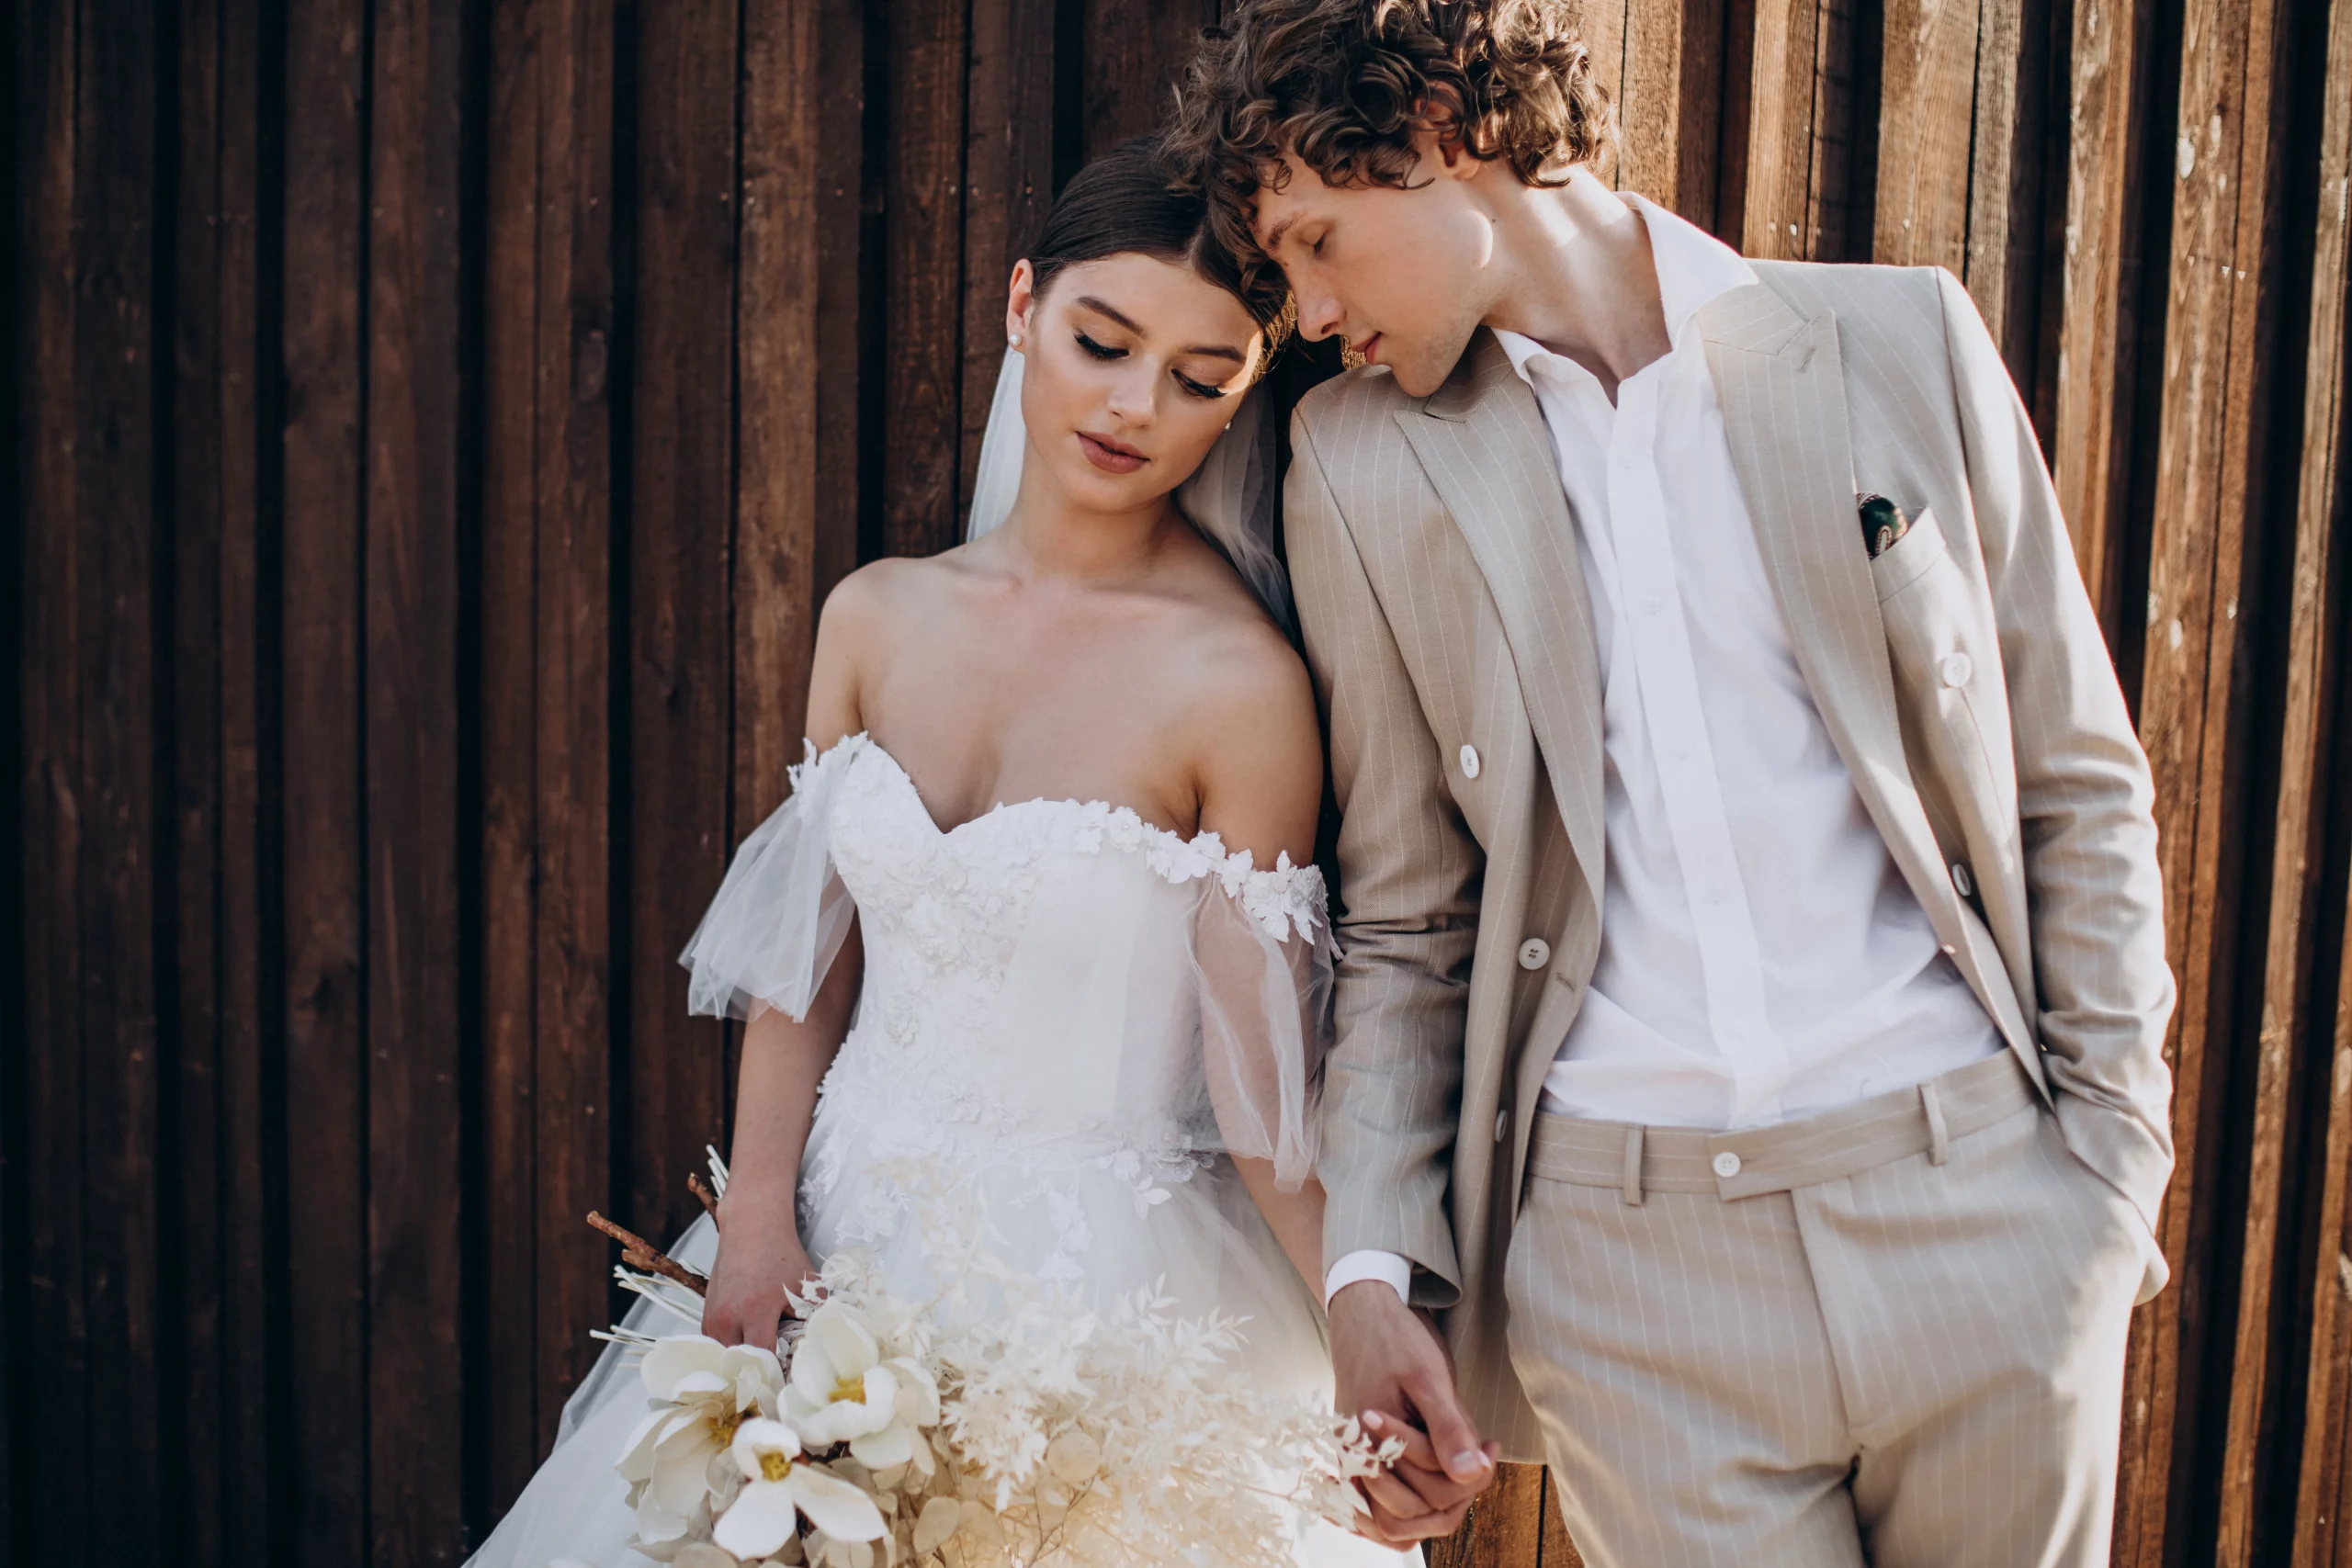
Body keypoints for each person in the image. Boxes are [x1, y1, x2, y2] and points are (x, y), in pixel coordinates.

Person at [1164, 4, 2177, 1564]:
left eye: (1315, 240)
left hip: (1983, 1204)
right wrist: (1372, 1277)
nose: (1306, 313)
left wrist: (2108, 1175)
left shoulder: (1898, 337)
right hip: (1629, 1277)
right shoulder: (1359, 463)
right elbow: (1414, 922)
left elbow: (2073, 779)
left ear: (1441, 127)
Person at [464, 138, 1411, 1568]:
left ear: (1241, 403)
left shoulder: (1239, 685)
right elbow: (808, 970)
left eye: (1201, 377)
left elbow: (1259, 1088)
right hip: (830, 1247)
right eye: (1103, 341)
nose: (1134, 404)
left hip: (1100, 1305)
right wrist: (762, 1214)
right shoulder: (875, 618)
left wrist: (1364, 1317)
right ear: (1022, 303)